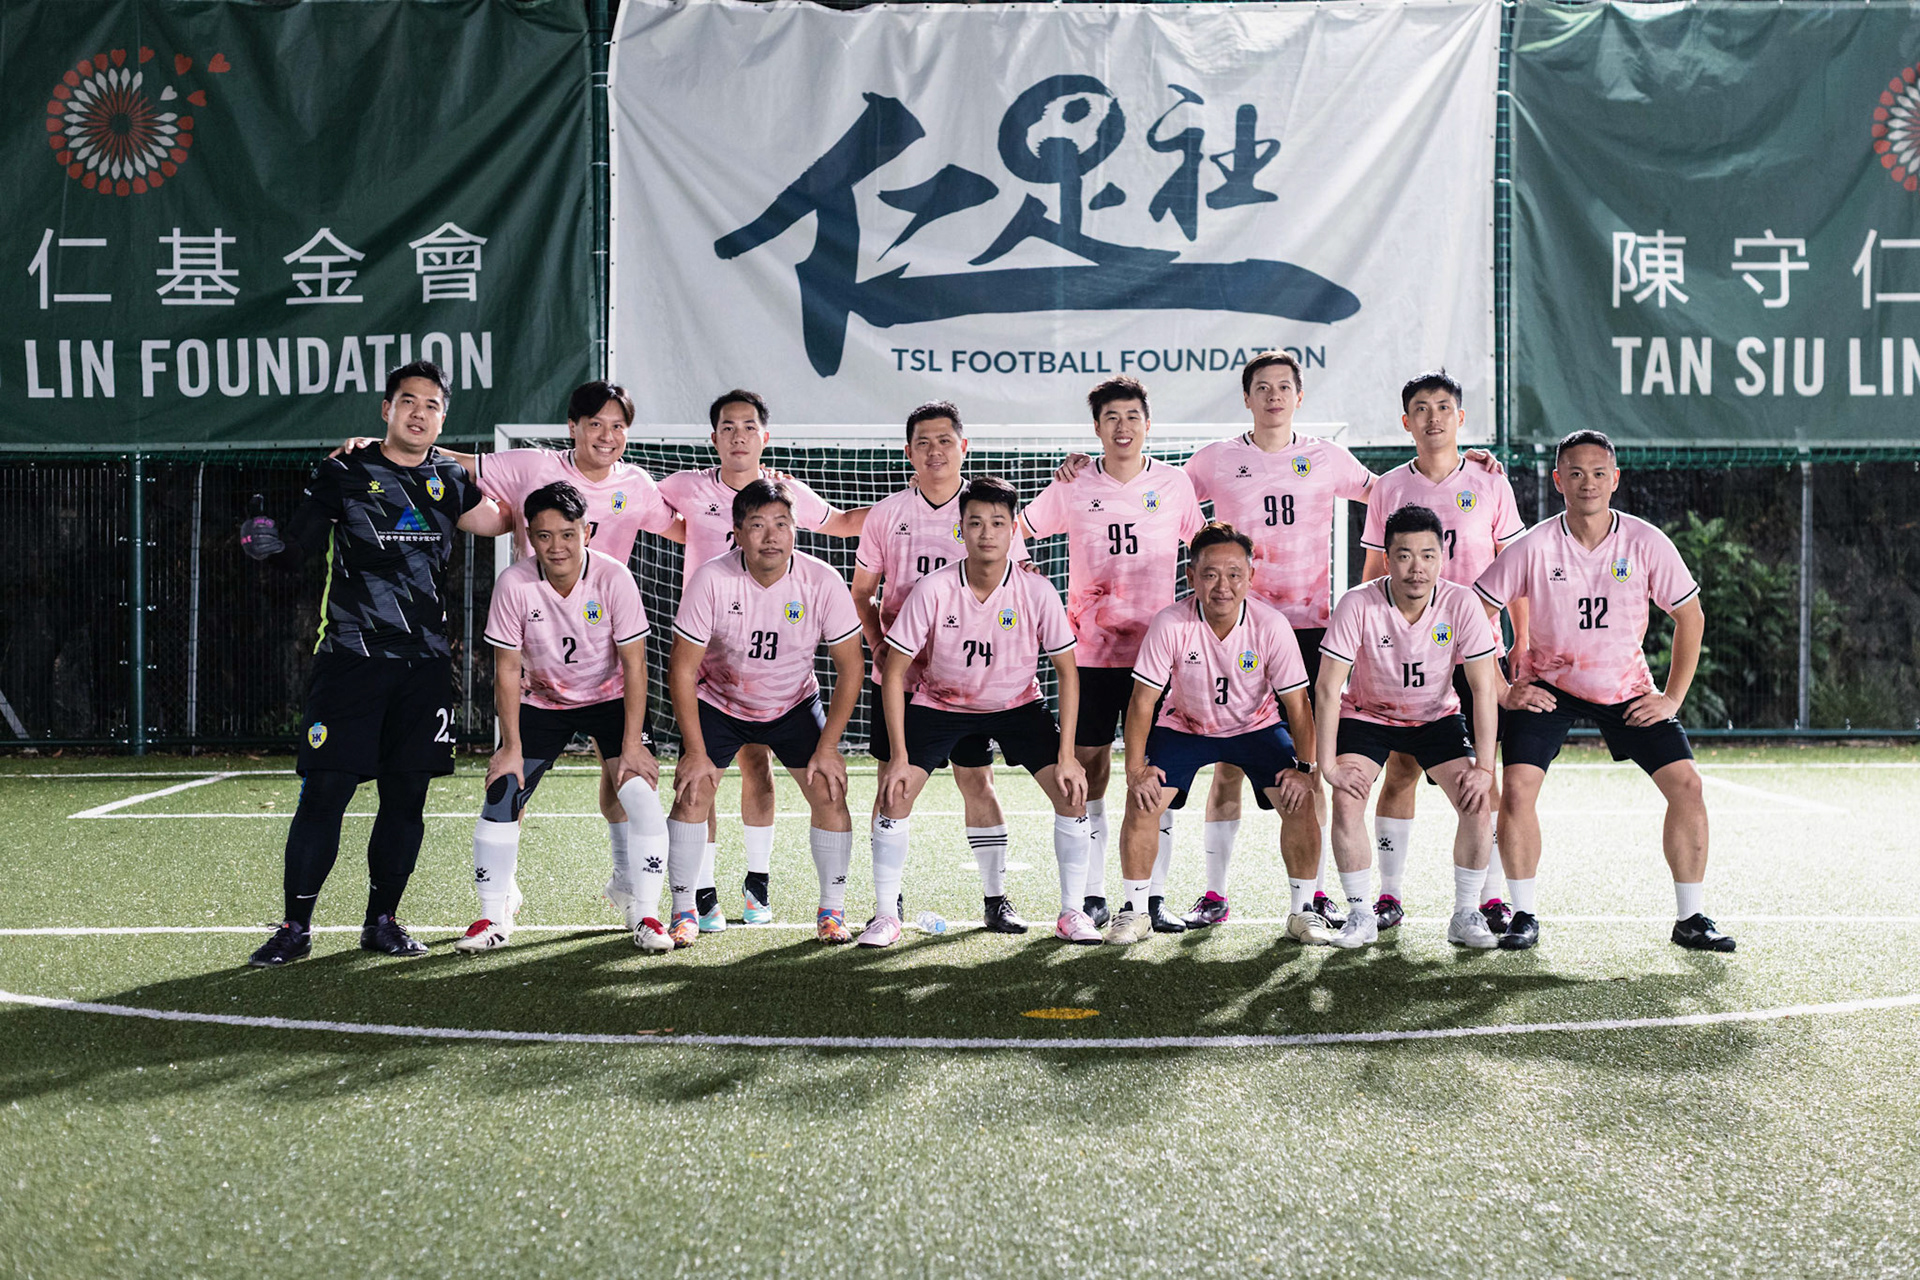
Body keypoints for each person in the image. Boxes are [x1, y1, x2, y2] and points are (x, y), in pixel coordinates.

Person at [330, 380, 687, 930]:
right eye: (595, 423)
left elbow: (684, 526)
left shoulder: (635, 489)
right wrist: (379, 449)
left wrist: (741, 519)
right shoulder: (531, 470)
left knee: (625, 780)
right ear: (572, 427)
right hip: (539, 659)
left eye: (617, 426)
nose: (606, 435)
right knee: (509, 783)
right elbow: (459, 464)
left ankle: (631, 890)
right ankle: (498, 904)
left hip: (605, 662)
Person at [239, 361, 510, 966]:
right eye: (408, 401)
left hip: (425, 667)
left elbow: (505, 518)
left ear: (443, 418)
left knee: (406, 797)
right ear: (386, 409)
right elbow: (298, 550)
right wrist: (267, 546)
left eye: (432, 405)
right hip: (351, 660)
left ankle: (381, 922)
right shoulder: (346, 470)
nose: (419, 413)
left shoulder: (449, 479)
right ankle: (295, 927)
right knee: (326, 790)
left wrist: (563, 482)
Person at [1474, 430, 1733, 952]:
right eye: (1575, 473)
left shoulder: (1645, 542)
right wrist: (1502, 688)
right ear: (1558, 481)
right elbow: (1478, 609)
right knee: (1517, 789)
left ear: (1615, 479)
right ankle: (1523, 914)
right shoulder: (1535, 546)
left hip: (1624, 686)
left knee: (1687, 785)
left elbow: (1691, 616)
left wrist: (1672, 699)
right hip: (1548, 684)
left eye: (1598, 473)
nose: (1587, 483)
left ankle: (1690, 918)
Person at [658, 390, 867, 930]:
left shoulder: (821, 579)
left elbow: (851, 667)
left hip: (792, 703)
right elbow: (681, 669)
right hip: (720, 699)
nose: (770, 536)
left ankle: (831, 911)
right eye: (756, 525)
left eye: (780, 524)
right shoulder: (710, 577)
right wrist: (695, 752)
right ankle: (685, 909)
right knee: (693, 787)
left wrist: (829, 747)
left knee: (828, 788)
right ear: (737, 533)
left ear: (795, 527)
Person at [870, 476, 1094, 946]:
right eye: (975, 523)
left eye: (997, 523)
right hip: (941, 703)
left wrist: (1068, 755)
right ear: (961, 529)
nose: (986, 533)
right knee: (894, 793)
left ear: (1013, 529)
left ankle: (1070, 913)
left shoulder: (1036, 590)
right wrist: (898, 756)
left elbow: (1067, 672)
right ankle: (886, 915)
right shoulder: (933, 589)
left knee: (1071, 792)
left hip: (1017, 705)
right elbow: (894, 671)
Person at [1022, 377, 1204, 932]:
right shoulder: (1073, 483)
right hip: (1091, 655)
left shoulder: (1173, 484)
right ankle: (1093, 894)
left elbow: (1206, 550)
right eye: (1111, 418)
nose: (1123, 427)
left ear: (1148, 424)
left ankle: (1152, 898)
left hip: (1160, 656)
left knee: (1158, 774)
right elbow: (1017, 531)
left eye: (1132, 417)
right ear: (1096, 428)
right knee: (1092, 769)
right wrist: (1028, 576)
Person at [459, 481, 671, 953]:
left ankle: (645, 911)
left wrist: (632, 745)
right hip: (543, 701)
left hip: (610, 699)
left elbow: (635, 665)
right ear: (529, 537)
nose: (556, 546)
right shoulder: (514, 584)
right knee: (503, 790)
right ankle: (494, 913)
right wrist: (510, 747)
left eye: (567, 534)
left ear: (587, 532)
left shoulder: (614, 578)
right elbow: (507, 670)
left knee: (640, 794)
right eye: (544, 535)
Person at [850, 401, 1032, 933]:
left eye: (945, 441)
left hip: (967, 681)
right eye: (924, 443)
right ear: (908, 452)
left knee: (977, 781)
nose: (935, 451)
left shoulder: (988, 512)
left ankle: (996, 899)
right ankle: (888, 905)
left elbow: (1018, 588)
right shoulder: (887, 515)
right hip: (903, 679)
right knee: (893, 782)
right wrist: (878, 643)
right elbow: (862, 593)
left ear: (964, 447)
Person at [1358, 370, 1527, 933]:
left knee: (1484, 773)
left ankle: (1490, 898)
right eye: (1422, 409)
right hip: (1408, 652)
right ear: (1406, 421)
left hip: (1477, 651)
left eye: (1444, 407)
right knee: (1402, 767)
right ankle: (1388, 895)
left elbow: (1515, 569)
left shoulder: (1490, 480)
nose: (1433, 417)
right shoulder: (1388, 488)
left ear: (1461, 417)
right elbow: (1372, 572)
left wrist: (1521, 641)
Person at [1109, 523, 1321, 945]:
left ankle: (1303, 913)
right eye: (1210, 574)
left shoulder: (1271, 625)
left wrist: (1306, 769)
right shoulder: (1170, 622)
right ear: (1191, 576)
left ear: (1251, 576)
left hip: (1255, 727)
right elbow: (1142, 702)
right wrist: (1135, 770)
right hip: (1186, 726)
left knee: (1301, 800)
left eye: (1234, 574)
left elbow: (1298, 704)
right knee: (1143, 799)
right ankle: (1135, 911)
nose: (1222, 586)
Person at [1318, 504, 1504, 950]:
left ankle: (1466, 914)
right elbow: (1327, 687)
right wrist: (1328, 766)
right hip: (1368, 714)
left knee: (1477, 798)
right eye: (1404, 555)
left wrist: (1485, 767)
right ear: (1387, 559)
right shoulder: (1358, 603)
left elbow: (1483, 689)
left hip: (1436, 716)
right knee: (1346, 798)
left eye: (1427, 555)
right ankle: (1360, 915)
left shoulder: (1461, 603)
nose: (1416, 567)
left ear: (1442, 558)